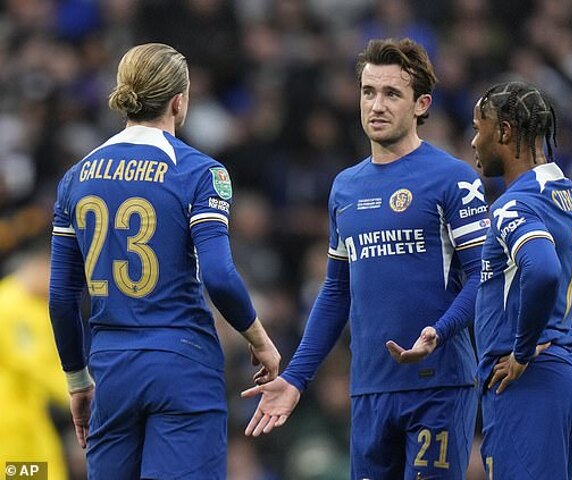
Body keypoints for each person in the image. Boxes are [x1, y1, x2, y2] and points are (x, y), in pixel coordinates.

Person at [242, 38, 490, 479]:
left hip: (438, 385)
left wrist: (440, 331)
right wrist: (296, 377)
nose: (376, 105)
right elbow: (336, 292)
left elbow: (483, 276)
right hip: (370, 389)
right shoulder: (345, 187)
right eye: (368, 92)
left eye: (392, 93)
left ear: (421, 104)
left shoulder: (453, 178)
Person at [48, 43, 281, 480]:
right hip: (182, 362)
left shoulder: (76, 177)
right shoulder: (200, 172)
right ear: (179, 101)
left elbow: (62, 296)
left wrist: (77, 380)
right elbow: (218, 276)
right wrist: (259, 339)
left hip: (111, 367)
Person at [471, 81, 572, 480]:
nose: (473, 142)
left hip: (530, 385)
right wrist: (561, 338)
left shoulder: (514, 205)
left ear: (504, 132)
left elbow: (541, 270)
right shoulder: (566, 194)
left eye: (478, 128)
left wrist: (524, 351)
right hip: (565, 377)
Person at [0, 242, 69, 480]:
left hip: (32, 418)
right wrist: (78, 392)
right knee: (27, 475)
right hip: (10, 423)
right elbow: (33, 364)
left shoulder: (36, 308)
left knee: (46, 473)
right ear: (40, 267)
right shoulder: (9, 305)